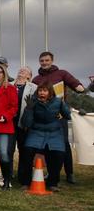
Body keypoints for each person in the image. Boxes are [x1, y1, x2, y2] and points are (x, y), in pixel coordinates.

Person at [31, 51, 86, 184]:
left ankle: (69, 173)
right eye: (42, 60)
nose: (44, 62)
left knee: (64, 145)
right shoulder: (36, 80)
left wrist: (80, 89)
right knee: (46, 147)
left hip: (59, 116)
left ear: (52, 60)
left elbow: (78, 86)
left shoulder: (62, 73)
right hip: (42, 117)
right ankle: (51, 173)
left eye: (47, 60)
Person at [21, 83, 71, 191]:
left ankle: (53, 183)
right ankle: (26, 182)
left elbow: (68, 115)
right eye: (40, 90)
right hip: (36, 131)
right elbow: (27, 123)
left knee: (59, 154)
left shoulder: (58, 102)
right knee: (27, 151)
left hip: (54, 133)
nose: (42, 93)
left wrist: (63, 105)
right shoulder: (33, 103)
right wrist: (28, 109)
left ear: (50, 92)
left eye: (45, 91)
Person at [12, 67, 37, 185]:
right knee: (8, 150)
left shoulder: (33, 87)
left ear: (29, 76)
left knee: (24, 151)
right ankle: (8, 174)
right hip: (9, 124)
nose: (21, 71)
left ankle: (23, 177)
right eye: (20, 70)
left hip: (24, 124)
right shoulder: (9, 84)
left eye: (25, 70)